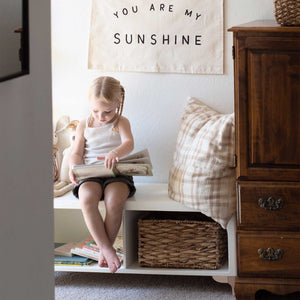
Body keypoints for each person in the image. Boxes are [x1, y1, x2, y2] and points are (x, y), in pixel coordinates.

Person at [69, 76, 136, 273]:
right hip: (90, 173)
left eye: (107, 111)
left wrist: (115, 153)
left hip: (117, 173)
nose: (101, 116)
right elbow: (76, 152)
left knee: (114, 201)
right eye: (95, 110)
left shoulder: (121, 122)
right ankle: (106, 248)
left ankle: (104, 249)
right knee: (86, 198)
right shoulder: (84, 124)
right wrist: (74, 167)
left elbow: (129, 143)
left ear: (118, 103)